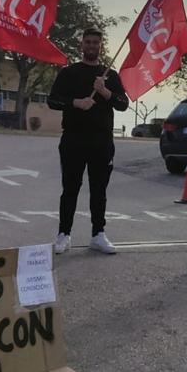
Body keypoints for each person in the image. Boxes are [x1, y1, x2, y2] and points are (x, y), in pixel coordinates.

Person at [48, 28, 129, 254]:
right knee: (70, 188)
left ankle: (98, 234)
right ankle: (64, 234)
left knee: (99, 190)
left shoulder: (109, 75)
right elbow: (53, 100)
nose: (92, 46)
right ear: (81, 45)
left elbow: (123, 103)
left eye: (96, 43)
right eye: (88, 42)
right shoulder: (69, 72)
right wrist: (76, 102)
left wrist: (104, 92)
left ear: (101, 47)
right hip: (73, 139)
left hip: (102, 142)